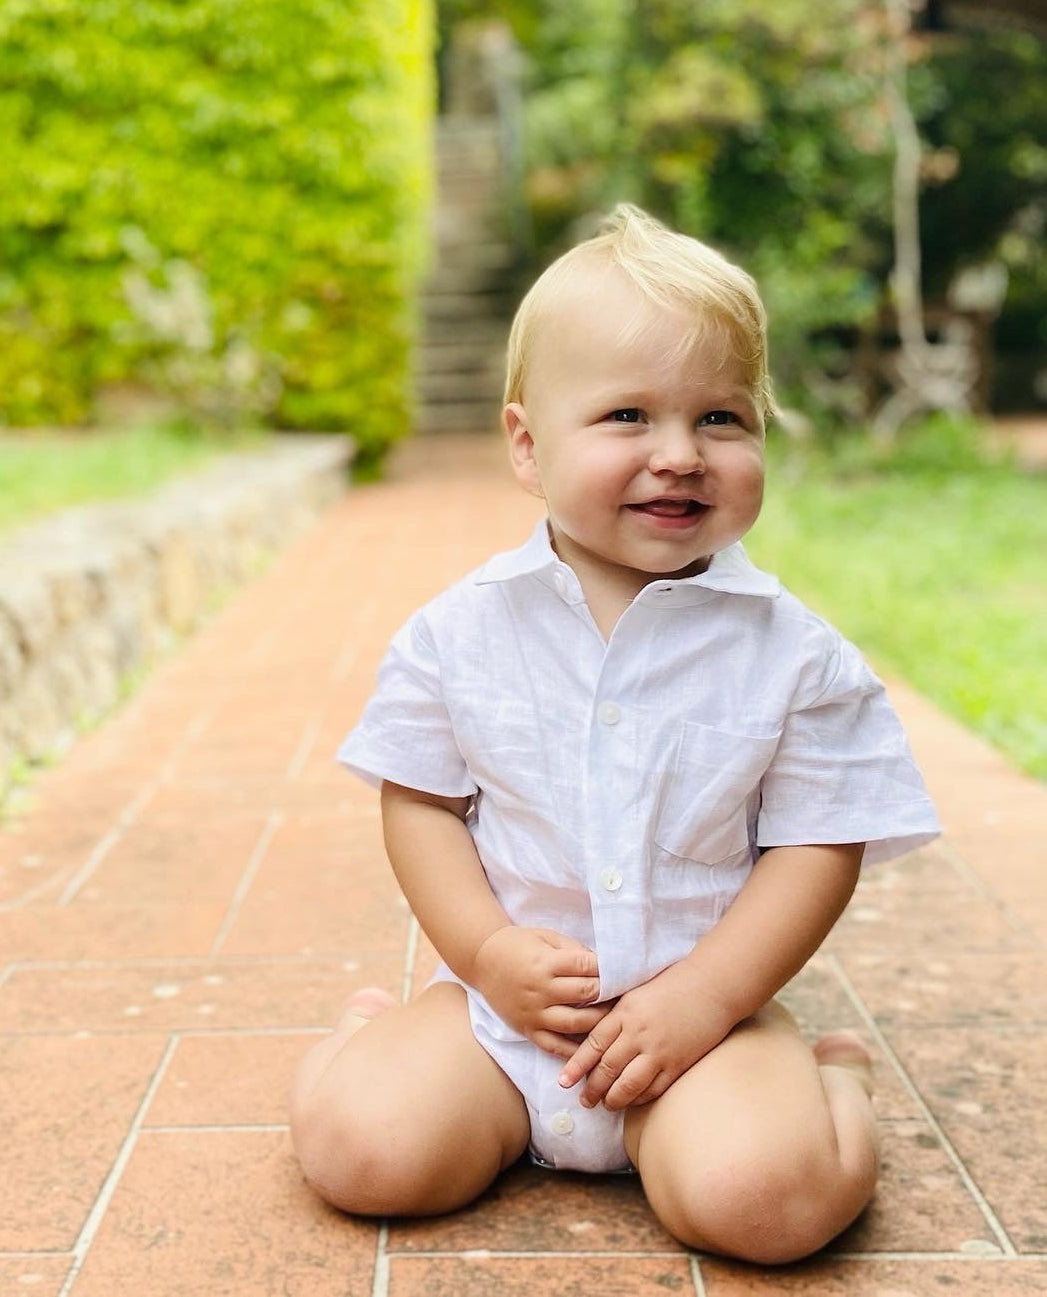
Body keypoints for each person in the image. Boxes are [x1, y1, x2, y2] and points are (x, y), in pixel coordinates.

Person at [289, 203, 940, 1264]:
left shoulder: (797, 657)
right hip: (507, 1022)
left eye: (723, 419)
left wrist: (706, 996)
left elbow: (822, 843)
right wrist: (487, 954)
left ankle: (834, 1085)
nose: (679, 454)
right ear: (528, 445)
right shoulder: (459, 633)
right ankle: (364, 1040)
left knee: (767, 1202)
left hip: (705, 1023)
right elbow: (418, 800)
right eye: (629, 416)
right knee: (366, 1152)